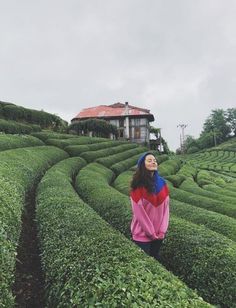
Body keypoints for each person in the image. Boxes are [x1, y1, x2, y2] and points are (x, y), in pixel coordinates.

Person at [130, 152, 169, 261]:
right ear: (143, 165)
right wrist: (151, 233)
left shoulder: (163, 183)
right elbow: (139, 214)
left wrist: (162, 230)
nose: (153, 162)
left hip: (158, 235)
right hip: (142, 236)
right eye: (149, 160)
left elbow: (166, 209)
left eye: (154, 160)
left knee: (155, 261)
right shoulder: (138, 186)